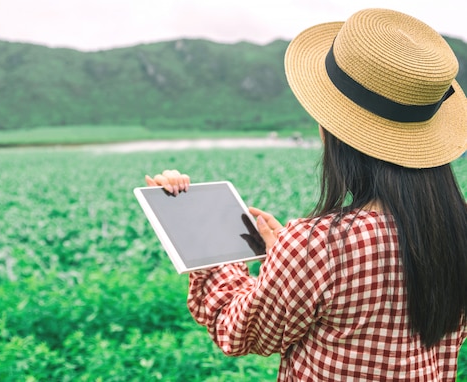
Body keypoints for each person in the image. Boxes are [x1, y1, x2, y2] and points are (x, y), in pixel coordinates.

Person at [145, 8, 467, 381]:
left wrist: (199, 234)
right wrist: (292, 257)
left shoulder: (319, 246)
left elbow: (238, 330)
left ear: (335, 131)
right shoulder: (456, 229)